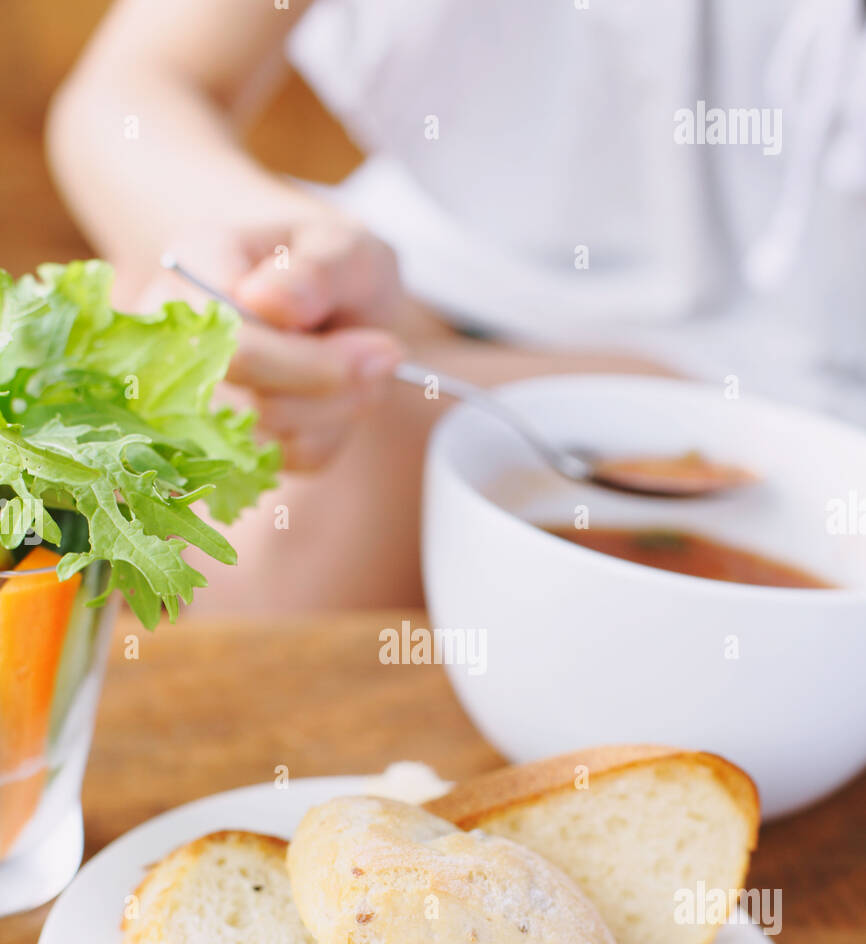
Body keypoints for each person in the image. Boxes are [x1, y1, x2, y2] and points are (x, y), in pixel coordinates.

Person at [47, 0, 866, 612]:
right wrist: (269, 247)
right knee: (244, 482)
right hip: (423, 271)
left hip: (805, 367)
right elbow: (133, 92)